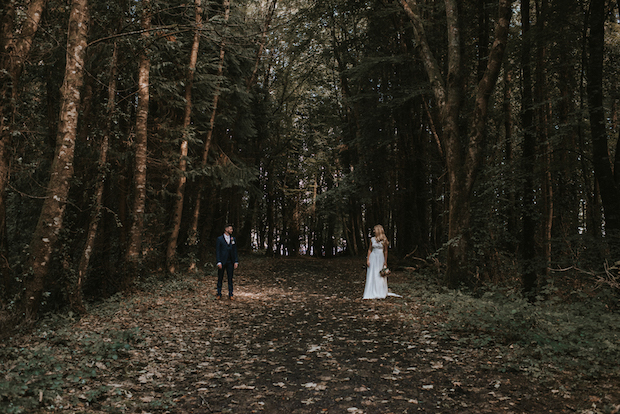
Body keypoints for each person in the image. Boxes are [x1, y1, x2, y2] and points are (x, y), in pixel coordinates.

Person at [363, 224, 400, 299]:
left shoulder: (384, 240)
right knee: (372, 273)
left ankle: (380, 291)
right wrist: (368, 259)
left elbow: (386, 251)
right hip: (373, 257)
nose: (373, 231)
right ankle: (371, 290)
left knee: (380, 274)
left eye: (374, 230)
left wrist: (385, 261)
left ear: (378, 230)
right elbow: (370, 249)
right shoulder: (372, 239)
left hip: (380, 257)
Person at [216, 224, 239, 300]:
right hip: (222, 261)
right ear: (226, 229)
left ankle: (231, 294)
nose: (232, 230)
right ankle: (219, 293)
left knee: (230, 278)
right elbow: (217, 251)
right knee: (220, 278)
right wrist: (218, 261)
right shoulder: (219, 239)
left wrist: (236, 261)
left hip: (230, 261)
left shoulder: (233, 239)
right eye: (230, 229)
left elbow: (235, 250)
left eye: (232, 229)